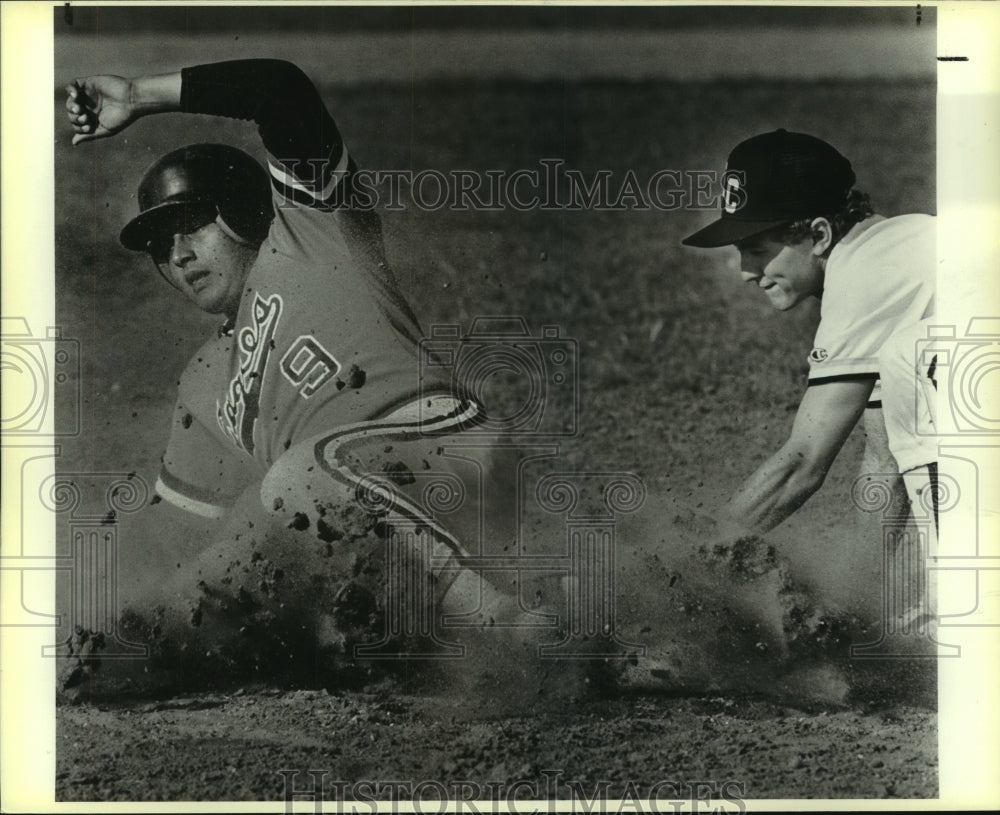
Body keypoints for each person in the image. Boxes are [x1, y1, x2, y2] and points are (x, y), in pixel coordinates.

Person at [62, 59, 527, 692]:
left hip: (448, 452)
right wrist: (106, 612)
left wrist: (142, 96)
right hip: (381, 526)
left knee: (296, 479)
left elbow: (281, 90)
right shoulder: (201, 383)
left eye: (191, 222)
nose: (176, 253)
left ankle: (509, 630)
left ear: (244, 212)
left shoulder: (314, 233)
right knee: (214, 581)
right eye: (160, 244)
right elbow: (180, 537)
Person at [681, 129, 937, 624]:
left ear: (818, 234)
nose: (744, 271)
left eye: (756, 249)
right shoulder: (887, 254)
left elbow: (802, 464)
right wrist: (856, 606)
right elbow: (886, 457)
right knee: (912, 387)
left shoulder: (867, 277)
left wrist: (698, 560)